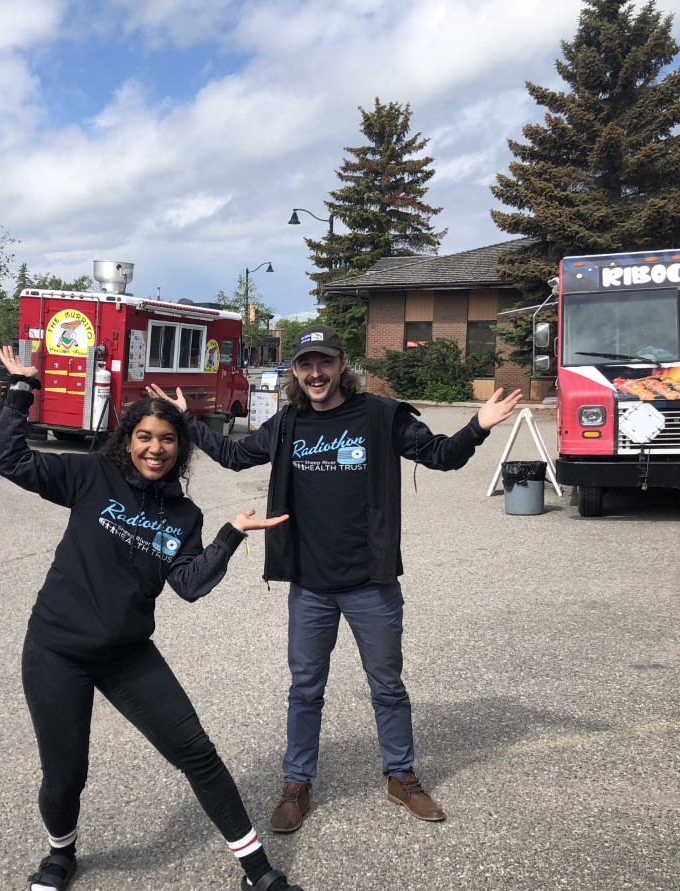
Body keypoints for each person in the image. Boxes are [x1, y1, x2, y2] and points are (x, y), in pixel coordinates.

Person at [147, 324, 520, 834]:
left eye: (325, 362)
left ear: (343, 364)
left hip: (371, 583)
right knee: (305, 690)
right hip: (310, 586)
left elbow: (441, 456)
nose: (316, 373)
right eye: (306, 364)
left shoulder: (381, 416)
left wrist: (478, 425)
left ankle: (402, 777)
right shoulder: (287, 422)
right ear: (296, 371)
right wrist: (187, 419)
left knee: (387, 686)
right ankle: (296, 783)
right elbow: (236, 456)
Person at [0, 345, 312, 891]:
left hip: (127, 653)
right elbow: (11, 460)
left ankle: (258, 871)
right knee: (65, 775)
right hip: (57, 649)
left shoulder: (183, 516)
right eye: (145, 437)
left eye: (167, 440)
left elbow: (188, 584)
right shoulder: (92, 476)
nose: (155, 449)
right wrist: (21, 390)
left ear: (180, 448)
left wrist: (231, 534)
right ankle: (61, 854)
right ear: (128, 440)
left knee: (198, 753)